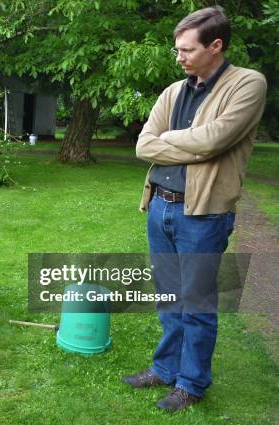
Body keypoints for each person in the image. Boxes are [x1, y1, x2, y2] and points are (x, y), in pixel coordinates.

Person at [124, 6, 267, 412]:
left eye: (186, 49)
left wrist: (176, 141)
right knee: (170, 297)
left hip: (203, 215)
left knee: (198, 304)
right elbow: (142, 144)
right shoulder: (174, 91)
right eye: (177, 50)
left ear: (216, 45)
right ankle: (166, 369)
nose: (180, 57)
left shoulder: (247, 85)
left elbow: (215, 140)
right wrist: (191, 142)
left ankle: (191, 383)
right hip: (160, 208)